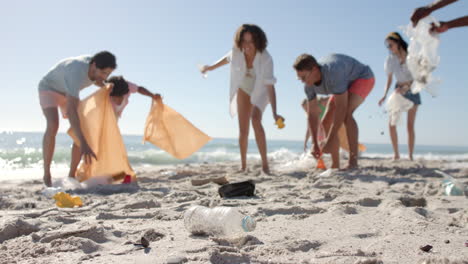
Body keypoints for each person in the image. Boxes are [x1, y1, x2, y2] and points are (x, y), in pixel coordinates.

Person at [200, 24, 283, 174]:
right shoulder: (236, 52)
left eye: (251, 41)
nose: (247, 45)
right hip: (244, 89)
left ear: (258, 41)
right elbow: (226, 59)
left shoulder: (266, 58)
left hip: (261, 90)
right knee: (243, 130)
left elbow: (270, 86)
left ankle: (265, 165)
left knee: (256, 120)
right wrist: (210, 68)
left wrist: (275, 113)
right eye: (244, 41)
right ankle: (243, 166)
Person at [39, 51, 117, 187]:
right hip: (48, 88)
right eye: (103, 73)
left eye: (107, 74)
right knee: (53, 125)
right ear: (93, 65)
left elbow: (97, 80)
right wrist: (84, 143)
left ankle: (71, 175)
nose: (104, 77)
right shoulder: (76, 73)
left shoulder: (95, 67)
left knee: (83, 129)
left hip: (67, 92)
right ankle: (47, 173)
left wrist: (106, 87)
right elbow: (72, 111)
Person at [67, 75, 161, 179]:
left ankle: (108, 174)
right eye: (115, 98)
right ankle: (72, 173)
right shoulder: (105, 94)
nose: (119, 100)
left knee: (110, 146)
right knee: (79, 142)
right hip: (97, 118)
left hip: (113, 120)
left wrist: (152, 95)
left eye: (121, 97)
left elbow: (139, 89)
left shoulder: (127, 86)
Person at [294, 53, 374, 169]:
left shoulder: (334, 73)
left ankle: (353, 162)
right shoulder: (308, 86)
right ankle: (335, 165)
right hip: (343, 82)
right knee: (325, 121)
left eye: (304, 77)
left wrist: (330, 139)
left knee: (346, 114)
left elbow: (341, 108)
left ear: (315, 70)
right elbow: (312, 115)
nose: (302, 81)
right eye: (299, 78)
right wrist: (315, 144)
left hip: (363, 77)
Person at [378, 32, 420, 161]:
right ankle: (396, 154)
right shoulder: (390, 59)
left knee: (410, 125)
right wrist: (384, 95)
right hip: (398, 90)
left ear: (398, 43)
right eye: (387, 46)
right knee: (392, 123)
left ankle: (410, 156)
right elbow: (389, 79)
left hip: (412, 89)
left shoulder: (411, 56)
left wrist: (407, 87)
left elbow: (418, 76)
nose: (389, 48)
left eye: (390, 45)